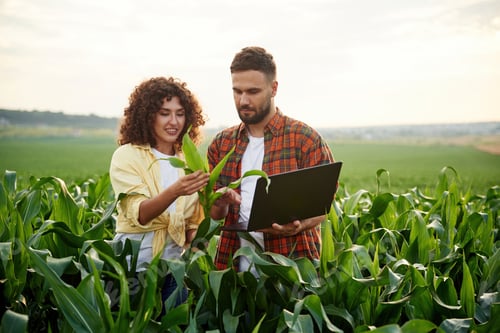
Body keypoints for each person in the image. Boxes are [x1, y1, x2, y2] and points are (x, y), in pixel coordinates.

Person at [207, 46, 335, 272]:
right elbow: (216, 215)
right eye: (237, 91)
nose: (243, 100)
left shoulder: (304, 139)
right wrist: (219, 204)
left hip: (292, 268)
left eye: (253, 91)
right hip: (233, 271)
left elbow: (323, 205)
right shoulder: (221, 144)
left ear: (273, 88)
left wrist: (298, 225)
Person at [109, 76, 209, 311]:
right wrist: (175, 191)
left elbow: (193, 225)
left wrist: (197, 255)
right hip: (133, 269)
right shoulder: (127, 156)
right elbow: (140, 214)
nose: (173, 121)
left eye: (180, 113)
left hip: (172, 270)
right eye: (165, 113)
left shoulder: (189, 161)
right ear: (148, 115)